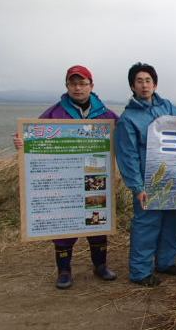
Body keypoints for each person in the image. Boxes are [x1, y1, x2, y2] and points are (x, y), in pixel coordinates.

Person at [13, 65, 118, 289]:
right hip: (65, 178)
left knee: (97, 221)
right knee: (63, 227)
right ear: (67, 86)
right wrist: (21, 142)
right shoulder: (55, 112)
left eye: (82, 83)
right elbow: (31, 135)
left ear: (91, 86)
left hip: (95, 179)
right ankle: (64, 270)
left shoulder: (106, 114)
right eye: (73, 83)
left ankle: (100, 266)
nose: (78, 88)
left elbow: (125, 135)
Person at [115, 62, 176, 287]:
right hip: (148, 181)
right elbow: (127, 155)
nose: (144, 85)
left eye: (148, 81)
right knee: (147, 225)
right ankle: (140, 272)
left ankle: (166, 262)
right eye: (139, 81)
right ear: (132, 86)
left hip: (173, 178)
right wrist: (137, 187)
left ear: (155, 84)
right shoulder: (128, 118)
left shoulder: (168, 107)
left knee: (173, 222)